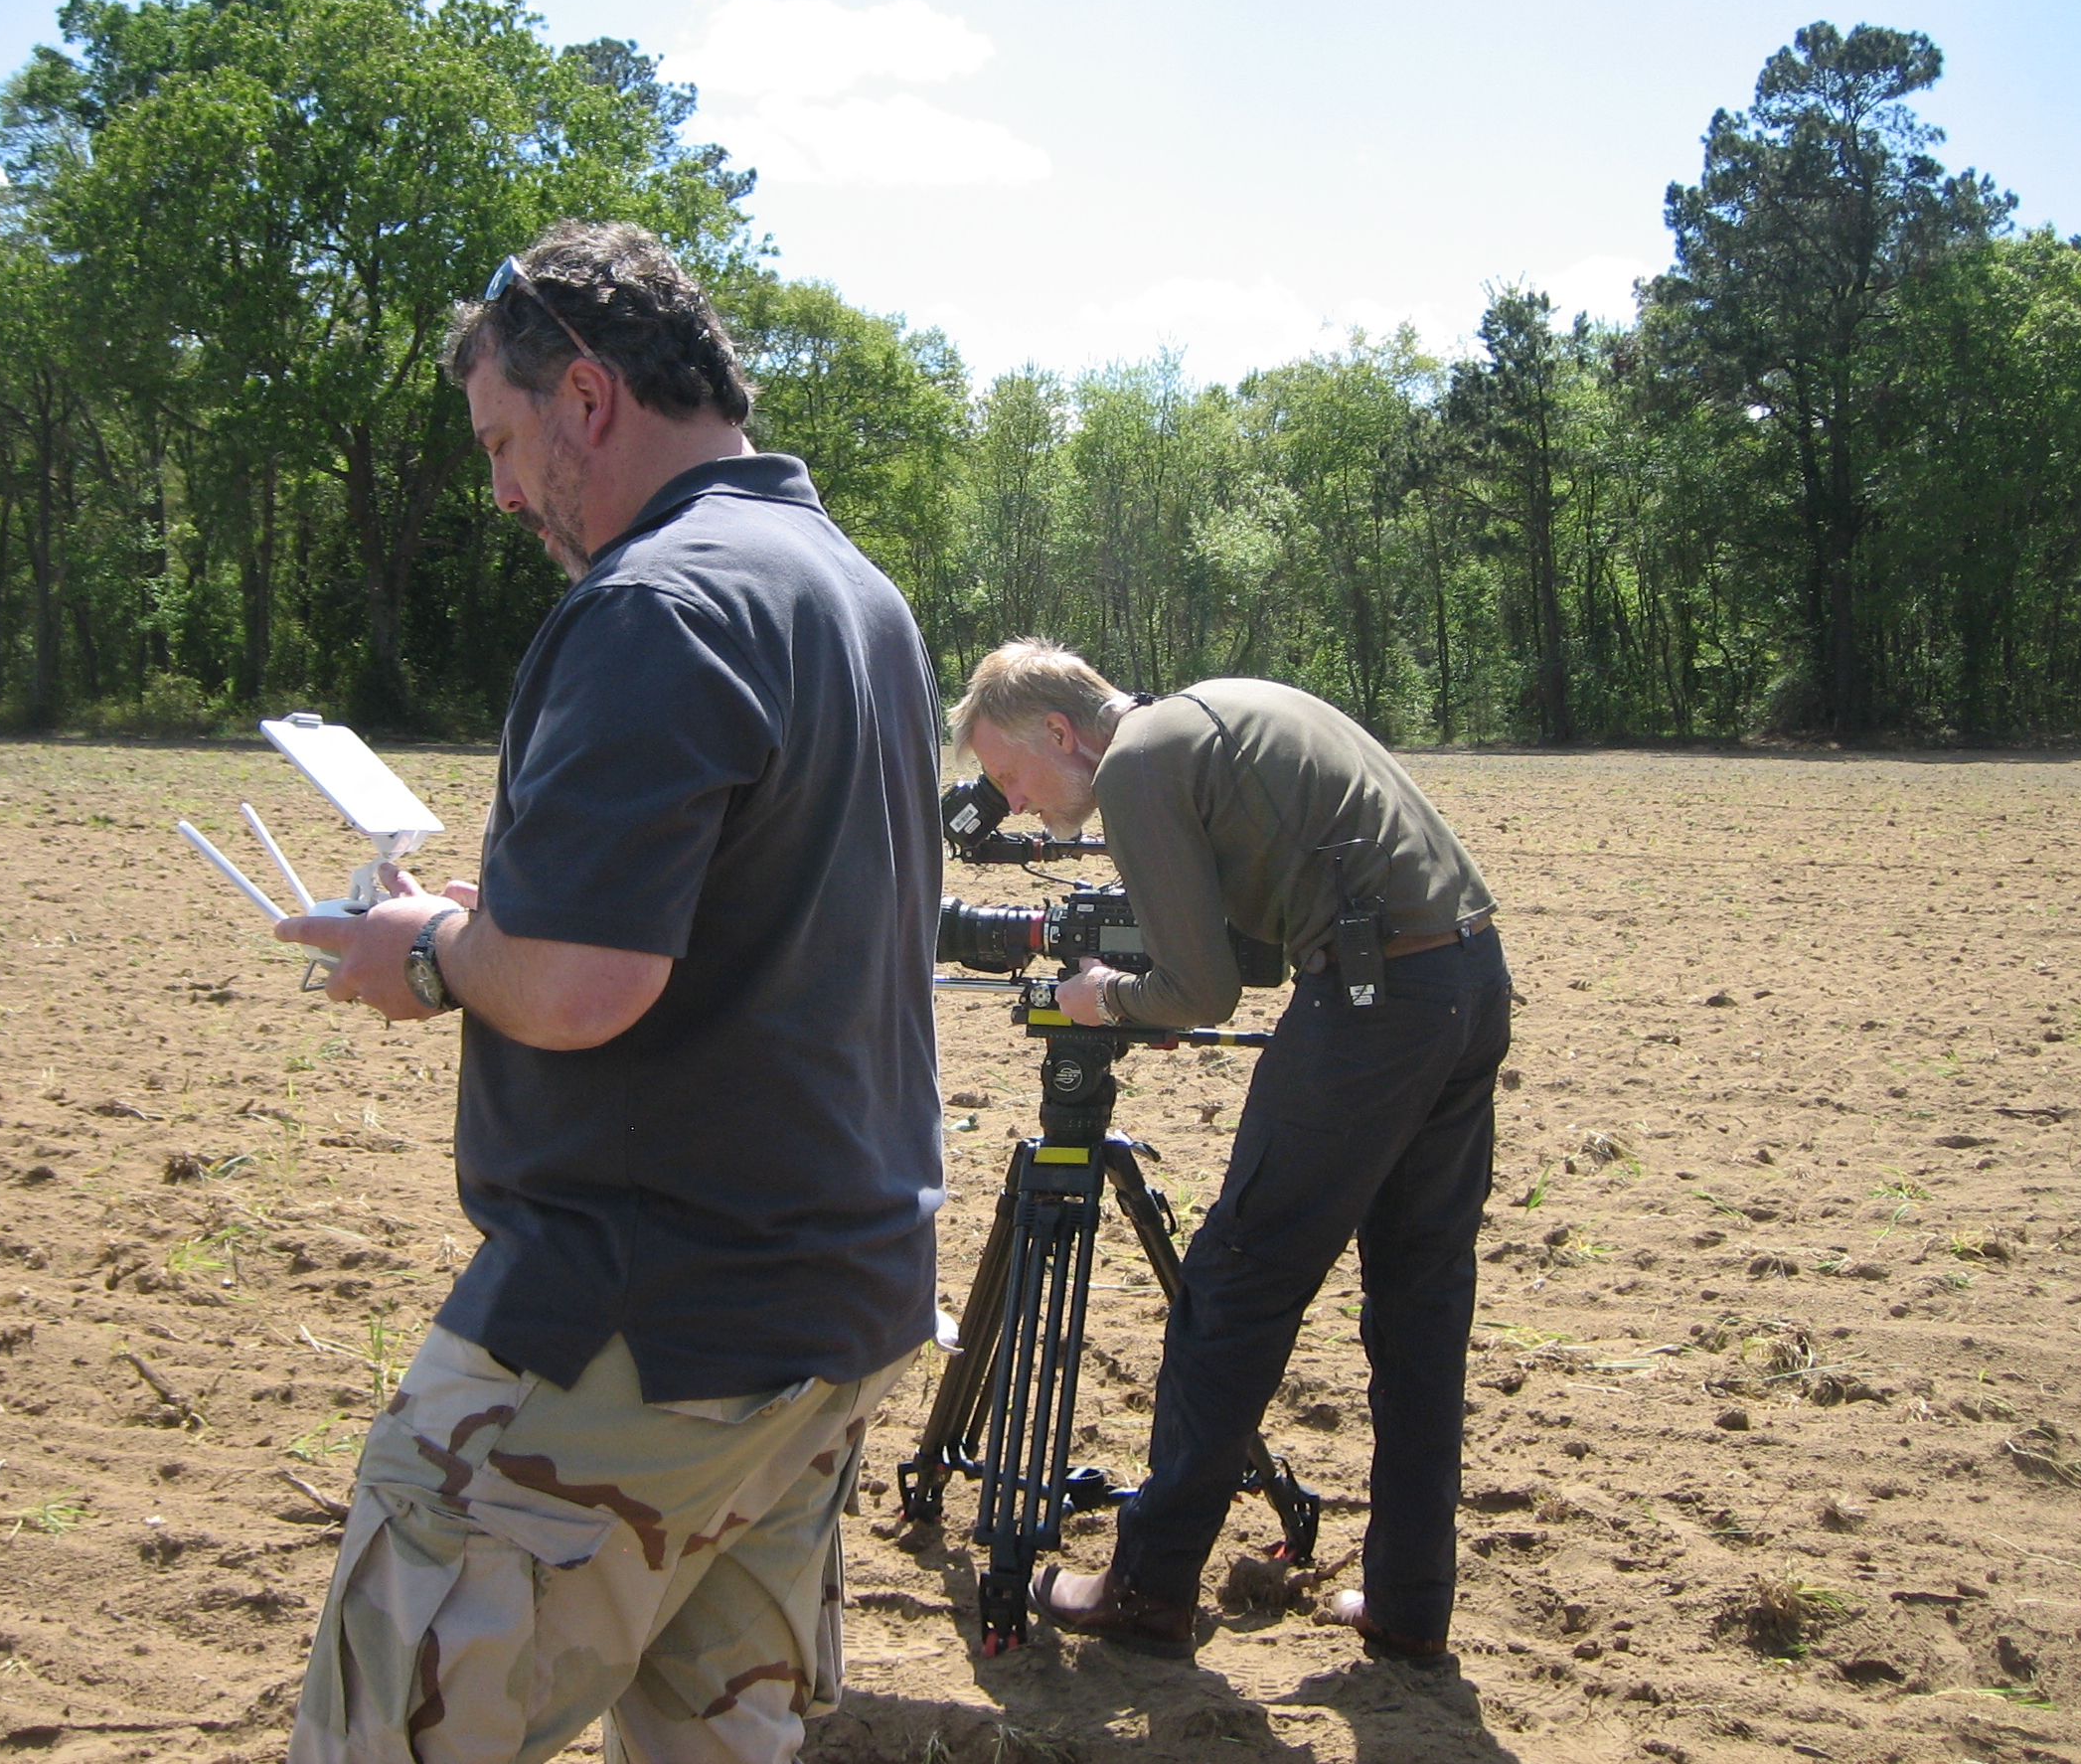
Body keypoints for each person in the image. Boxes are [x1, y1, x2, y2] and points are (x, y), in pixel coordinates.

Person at [276, 223, 944, 1764]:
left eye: (504, 443)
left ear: (587, 397)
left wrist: (433, 956)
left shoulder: (656, 601)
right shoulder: (853, 593)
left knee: (381, 1735)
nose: (502, 492)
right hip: (824, 1316)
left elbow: (578, 985)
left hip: (637, 1334)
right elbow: (730, 915)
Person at [948, 639, 1509, 1668]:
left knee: (1233, 1285)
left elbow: (1203, 993)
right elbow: (1262, 916)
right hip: (1466, 982)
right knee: (1422, 1301)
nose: (1020, 807)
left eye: (1015, 778)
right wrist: (1160, 982)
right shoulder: (1223, 705)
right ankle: (1409, 1605)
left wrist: (1100, 997)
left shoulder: (1141, 762)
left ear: (1062, 735)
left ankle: (1149, 1587)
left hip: (1373, 1006)